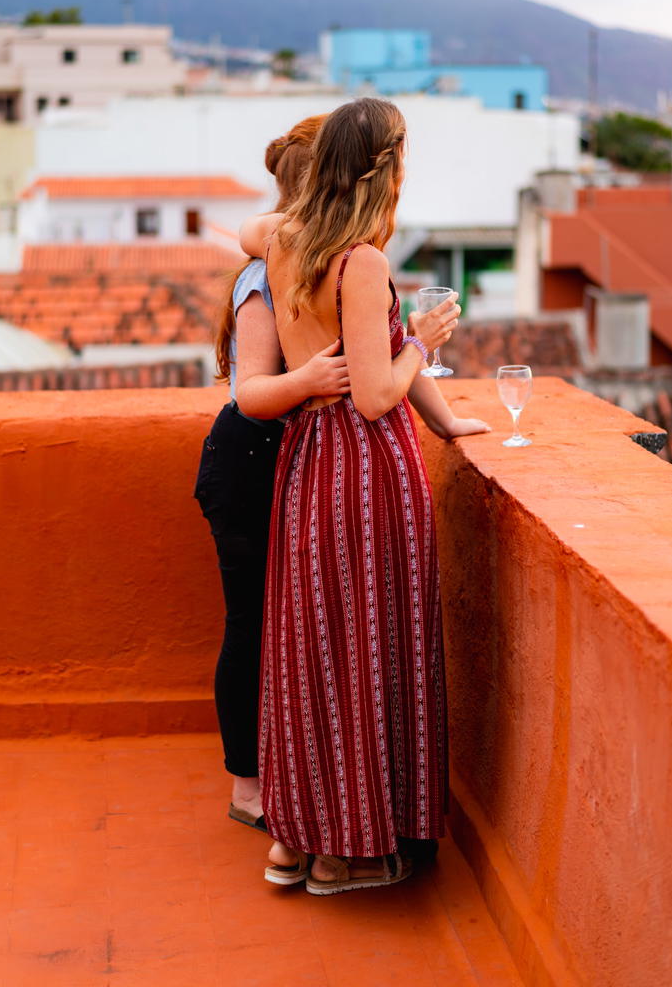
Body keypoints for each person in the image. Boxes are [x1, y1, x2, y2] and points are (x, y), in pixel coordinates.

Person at [239, 98, 490, 894]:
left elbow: (250, 229)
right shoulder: (363, 262)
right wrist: (422, 340)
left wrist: (448, 424)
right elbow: (378, 394)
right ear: (386, 167)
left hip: (308, 457)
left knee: (313, 645)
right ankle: (346, 851)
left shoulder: (282, 240)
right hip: (364, 462)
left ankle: (295, 841)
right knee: (368, 645)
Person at [193, 114, 347, 832]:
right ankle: (247, 788)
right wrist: (314, 377)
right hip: (248, 460)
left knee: (281, 621)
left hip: (280, 462)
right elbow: (250, 390)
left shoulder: (313, 264)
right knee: (252, 623)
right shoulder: (264, 275)